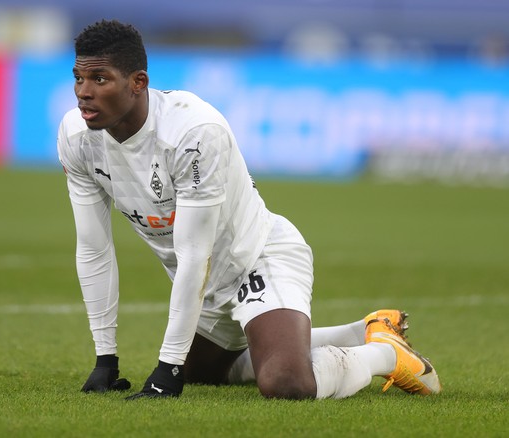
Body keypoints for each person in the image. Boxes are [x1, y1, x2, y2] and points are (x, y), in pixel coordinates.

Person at [57, 19, 441, 400]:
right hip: (204, 285)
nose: (83, 93)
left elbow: (194, 254)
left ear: (138, 82)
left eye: (99, 79)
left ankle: (384, 354)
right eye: (78, 78)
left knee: (286, 383)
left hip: (257, 258)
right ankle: (364, 331)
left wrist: (167, 369)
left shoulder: (192, 133)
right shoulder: (77, 137)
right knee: (202, 373)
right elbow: (94, 249)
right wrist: (105, 359)